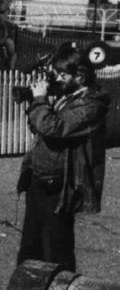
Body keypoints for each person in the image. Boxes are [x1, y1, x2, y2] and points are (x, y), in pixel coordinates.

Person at [16, 43, 110, 271]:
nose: (56, 78)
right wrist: (37, 101)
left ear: (80, 76)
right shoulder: (68, 95)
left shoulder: (91, 105)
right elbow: (39, 126)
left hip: (61, 185)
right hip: (39, 180)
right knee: (31, 245)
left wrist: (39, 101)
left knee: (56, 249)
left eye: (62, 74)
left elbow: (53, 128)